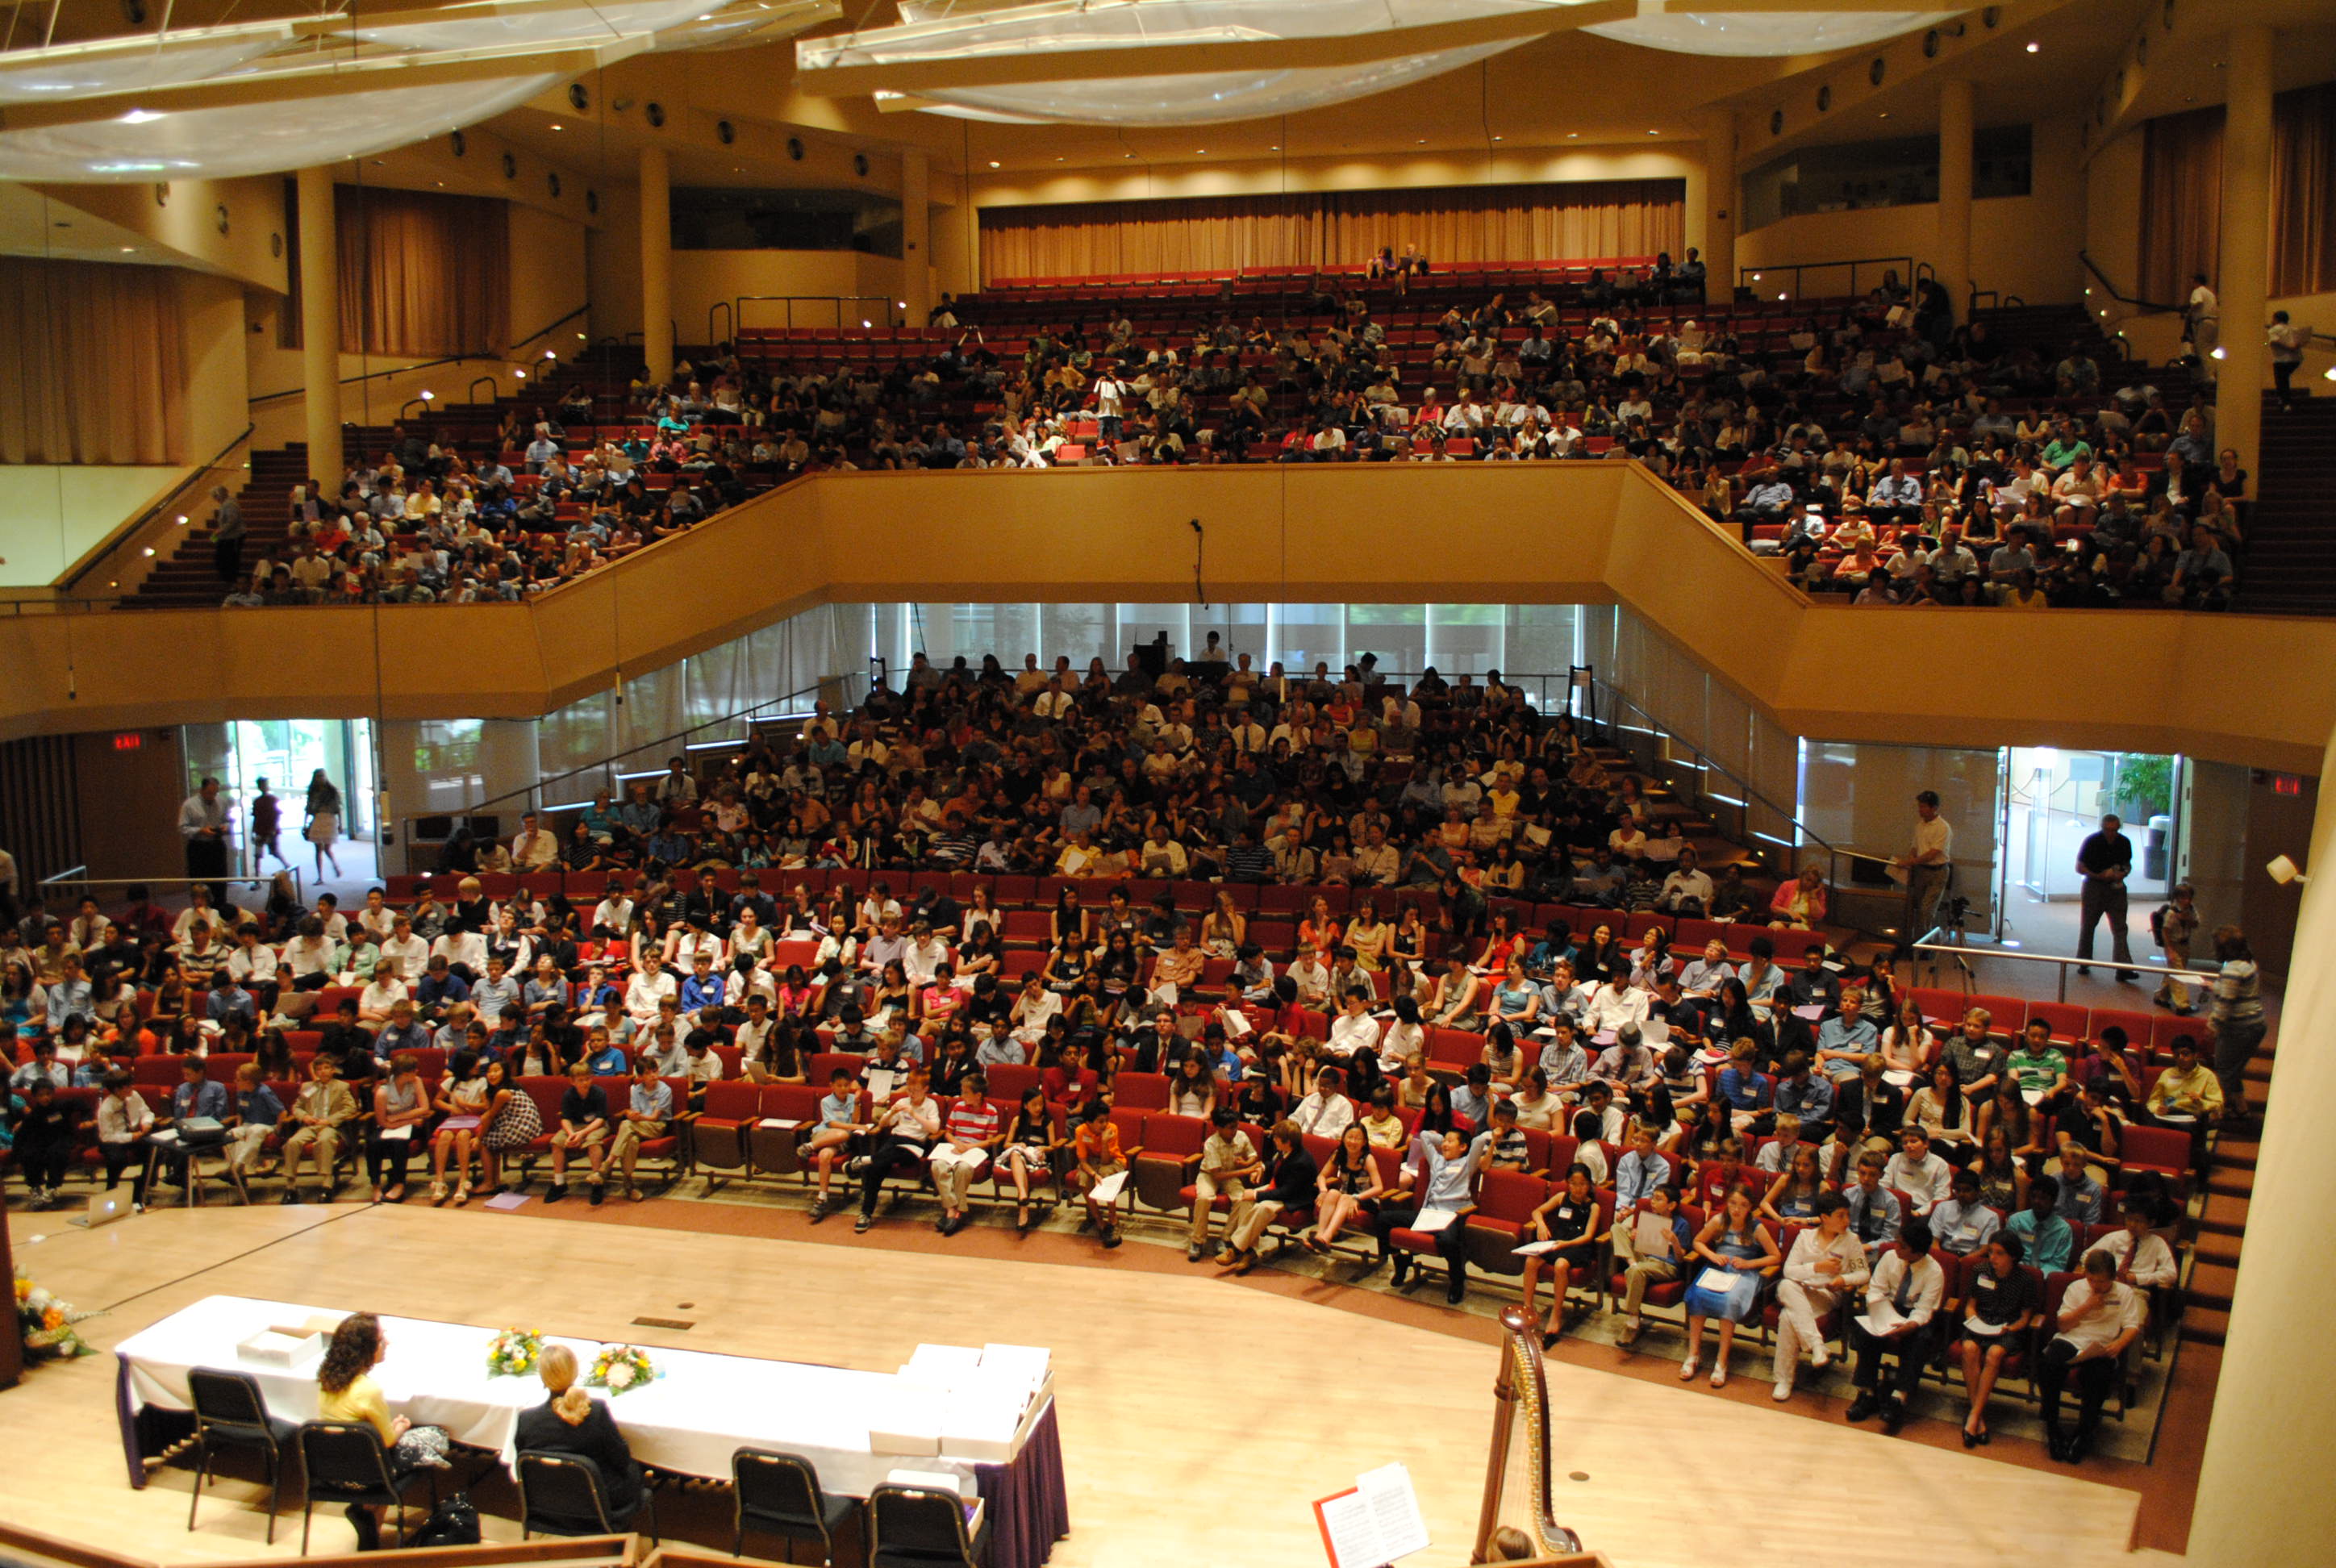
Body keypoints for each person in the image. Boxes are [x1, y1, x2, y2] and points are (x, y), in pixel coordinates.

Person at [315, 1312, 451, 1549]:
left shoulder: (326, 1381)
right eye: (381, 1339)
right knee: (434, 1437)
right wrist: (399, 1426)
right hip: (369, 1476)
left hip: (332, 1473)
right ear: (366, 1349)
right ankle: (369, 1515)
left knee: (384, 1453)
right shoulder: (368, 1390)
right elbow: (387, 1440)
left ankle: (369, 1522)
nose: (386, 1342)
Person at [513, 1343, 646, 1525]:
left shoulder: (526, 1420)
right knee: (634, 1469)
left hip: (548, 1503)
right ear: (574, 1373)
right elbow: (621, 1459)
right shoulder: (596, 1412)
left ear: (543, 1377)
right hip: (600, 1501)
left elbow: (524, 1467)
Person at [2038, 1249, 2146, 1463]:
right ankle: (2053, 1427)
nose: (2096, 1285)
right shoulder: (2076, 1288)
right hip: (2071, 1339)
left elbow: (2132, 1326)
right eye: (2091, 1280)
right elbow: (2063, 1324)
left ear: (2113, 1278)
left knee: (2097, 1377)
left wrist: (2119, 1343)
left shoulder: (2125, 1293)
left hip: (2102, 1345)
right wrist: (2087, 1306)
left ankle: (2084, 1432)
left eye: (2101, 1282)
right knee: (2049, 1366)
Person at [1844, 1216, 1942, 1432]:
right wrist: (1880, 1312)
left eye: (1903, 1246)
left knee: (1920, 1340)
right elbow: (1876, 1289)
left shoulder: (1934, 1272)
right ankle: (1867, 1392)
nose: (1896, 1247)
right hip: (1886, 1307)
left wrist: (1910, 1325)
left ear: (1917, 1252)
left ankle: (1900, 1397)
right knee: (1867, 1331)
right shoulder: (1889, 1257)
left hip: (1912, 1316)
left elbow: (1924, 1309)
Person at [1679, 1183, 1779, 1389]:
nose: (1736, 1209)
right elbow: (1698, 1242)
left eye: (1743, 1205)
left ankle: (1722, 1362)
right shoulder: (1719, 1220)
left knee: (1730, 1300)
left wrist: (1750, 1263)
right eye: (1733, 1203)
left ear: (1750, 1207)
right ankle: (1693, 1355)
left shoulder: (1757, 1227)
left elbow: (1775, 1256)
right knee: (1698, 1294)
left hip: (1745, 1272)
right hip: (1720, 1268)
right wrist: (1713, 1255)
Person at [1771, 1191, 1869, 1402]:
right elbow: (1789, 1270)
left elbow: (1864, 1274)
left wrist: (1842, 1280)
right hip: (1799, 1290)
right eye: (1841, 1216)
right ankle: (1816, 1345)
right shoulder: (1805, 1237)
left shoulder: (1851, 1240)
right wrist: (1817, 1267)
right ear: (1825, 1218)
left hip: (1826, 1294)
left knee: (1788, 1316)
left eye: (1847, 1215)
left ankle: (1784, 1379)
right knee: (1787, 1286)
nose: (1847, 1221)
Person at [1373, 1126, 1476, 1305]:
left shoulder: (1467, 1164)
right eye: (1444, 1141)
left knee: (1447, 1241)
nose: (1445, 1144)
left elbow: (1481, 1142)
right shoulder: (1436, 1160)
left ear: (1463, 1147)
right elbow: (1425, 1136)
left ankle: (1457, 1281)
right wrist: (1444, 1139)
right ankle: (1400, 1262)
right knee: (1383, 1219)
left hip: (1450, 1216)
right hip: (1428, 1214)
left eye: (1451, 1142)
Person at [1957, 1232, 2037, 1446]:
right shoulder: (1980, 1271)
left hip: (2007, 1329)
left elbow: (2025, 1319)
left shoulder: (2025, 1280)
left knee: (1995, 1353)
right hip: (1981, 1323)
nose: (1992, 1257)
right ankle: (1978, 1418)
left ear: (2012, 1256)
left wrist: (2008, 1328)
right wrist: (1974, 1321)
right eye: (1991, 1252)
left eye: (1999, 1253)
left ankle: (1973, 1416)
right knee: (1969, 1348)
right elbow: (1970, 1306)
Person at [1520, 1162, 1607, 1346]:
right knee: (1531, 1260)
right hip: (1558, 1242)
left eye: (1582, 1184)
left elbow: (1588, 1236)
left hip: (1578, 1246)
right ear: (1568, 1183)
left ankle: (1556, 1315)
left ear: (1590, 1185)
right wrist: (1541, 1224)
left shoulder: (1593, 1207)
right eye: (1574, 1183)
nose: (1578, 1188)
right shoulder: (1561, 1197)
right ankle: (1528, 1308)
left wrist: (1566, 1244)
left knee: (1561, 1264)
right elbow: (1537, 1211)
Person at [1220, 1119, 1320, 1274]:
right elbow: (1276, 1164)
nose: (1273, 1140)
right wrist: (1263, 1167)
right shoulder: (1287, 1150)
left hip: (1296, 1198)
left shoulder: (1302, 1162)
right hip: (1282, 1189)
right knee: (1245, 1200)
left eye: (1276, 1138)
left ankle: (1236, 1249)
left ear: (1287, 1142)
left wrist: (1256, 1193)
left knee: (1262, 1207)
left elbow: (1286, 1193)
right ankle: (1249, 1252)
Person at [854, 1062, 942, 1234]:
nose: (911, 1094)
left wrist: (914, 1114)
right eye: (909, 1090)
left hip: (915, 1144)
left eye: (915, 1091)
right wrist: (892, 1113)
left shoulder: (931, 1104)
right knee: (875, 1169)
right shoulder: (902, 1101)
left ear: (925, 1089)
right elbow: (883, 1124)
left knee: (884, 1159)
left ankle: (864, 1160)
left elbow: (934, 1129)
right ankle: (865, 1213)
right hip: (895, 1140)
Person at [2206, 926, 2264, 1131]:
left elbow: (2226, 1003)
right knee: (2234, 1070)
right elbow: (2235, 990)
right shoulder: (2248, 963)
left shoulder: (2231, 969)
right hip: (2254, 1024)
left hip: (2239, 1028)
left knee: (2224, 1071)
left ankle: (2219, 1113)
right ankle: (2242, 1110)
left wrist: (2213, 1025)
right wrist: (2214, 986)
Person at [930, 1072, 1003, 1235]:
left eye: (965, 1092)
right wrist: (956, 1143)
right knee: (938, 1165)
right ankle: (953, 1209)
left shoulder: (991, 1112)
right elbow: (948, 1132)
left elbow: (990, 1141)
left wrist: (969, 1147)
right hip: (956, 1146)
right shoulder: (958, 1107)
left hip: (976, 1150)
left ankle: (954, 1212)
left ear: (978, 1096)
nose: (961, 1095)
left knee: (962, 1169)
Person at [281, 1053, 357, 1204]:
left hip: (329, 1125)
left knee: (325, 1140)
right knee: (292, 1143)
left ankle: (327, 1184)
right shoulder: (308, 1087)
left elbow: (351, 1108)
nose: (323, 1072)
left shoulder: (342, 1087)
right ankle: (290, 1186)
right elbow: (296, 1107)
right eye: (320, 1069)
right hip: (311, 1124)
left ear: (333, 1070)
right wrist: (304, 1117)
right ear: (315, 1072)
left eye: (327, 1068)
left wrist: (329, 1121)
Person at [1189, 1103, 1262, 1261]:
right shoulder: (1211, 1143)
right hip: (1209, 1175)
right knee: (1204, 1198)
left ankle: (1226, 1238)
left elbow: (1253, 1155)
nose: (1234, 1131)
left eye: (1235, 1126)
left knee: (1243, 1199)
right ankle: (1197, 1241)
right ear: (1219, 1128)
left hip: (1231, 1175)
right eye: (1230, 1128)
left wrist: (1246, 1162)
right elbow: (1217, 1175)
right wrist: (1246, 1171)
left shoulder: (1241, 1136)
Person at [2072, 813, 2134, 976]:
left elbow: (2127, 865)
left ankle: (2123, 968)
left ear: (2118, 828)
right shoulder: (2092, 841)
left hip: (2117, 888)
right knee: (2088, 925)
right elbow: (2079, 867)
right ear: (2102, 827)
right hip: (2094, 887)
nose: (2111, 833)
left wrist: (2123, 873)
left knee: (2120, 928)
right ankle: (2084, 962)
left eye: (2114, 830)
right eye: (2108, 830)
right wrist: (2099, 876)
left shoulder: (2124, 842)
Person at [1892, 790, 1951, 952]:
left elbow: (1934, 853)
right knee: (1916, 907)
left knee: (1927, 910)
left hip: (1937, 872)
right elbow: (1915, 847)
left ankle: (1926, 946)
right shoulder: (1919, 825)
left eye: (1923, 806)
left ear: (1934, 808)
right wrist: (1910, 859)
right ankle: (1917, 942)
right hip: (1920, 872)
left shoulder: (1943, 827)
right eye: (1920, 806)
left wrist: (1911, 861)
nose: (1920, 810)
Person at [545, 1058, 611, 1205]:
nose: (585, 1083)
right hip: (575, 1127)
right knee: (556, 1142)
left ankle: (597, 1183)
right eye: (581, 1080)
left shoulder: (599, 1093)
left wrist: (583, 1134)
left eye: (587, 1079)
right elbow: (565, 1118)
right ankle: (559, 1183)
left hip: (596, 1126)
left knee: (593, 1142)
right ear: (572, 1082)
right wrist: (570, 1134)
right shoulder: (568, 1095)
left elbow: (600, 1118)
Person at [365, 1053, 429, 1203]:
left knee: (399, 1143)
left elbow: (424, 1108)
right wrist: (410, 1119)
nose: (417, 1073)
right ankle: (376, 1185)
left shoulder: (416, 1082)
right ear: (405, 1074)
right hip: (391, 1125)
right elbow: (383, 1122)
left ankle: (399, 1184)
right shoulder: (383, 1091)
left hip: (408, 1126)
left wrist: (399, 1117)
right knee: (372, 1143)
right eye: (414, 1070)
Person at [611, 1054, 674, 1202]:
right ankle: (629, 1184)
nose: (653, 1076)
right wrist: (633, 1115)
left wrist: (636, 1118)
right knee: (631, 1140)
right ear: (640, 1076)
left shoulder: (665, 1090)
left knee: (625, 1124)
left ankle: (608, 1163)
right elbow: (636, 1112)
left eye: (654, 1071)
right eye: (647, 1073)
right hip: (638, 1127)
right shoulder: (636, 1090)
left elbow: (654, 1118)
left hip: (656, 1127)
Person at [179, 777, 232, 906]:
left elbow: (227, 820)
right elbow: (182, 828)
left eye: (215, 793)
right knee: (200, 882)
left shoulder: (222, 802)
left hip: (217, 846)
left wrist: (226, 827)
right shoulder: (189, 805)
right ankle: (201, 910)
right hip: (198, 848)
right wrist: (200, 830)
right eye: (209, 793)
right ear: (201, 790)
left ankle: (220, 910)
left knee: (220, 882)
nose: (212, 796)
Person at [2152, 880, 2201, 1015]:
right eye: (2184, 897)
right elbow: (2165, 931)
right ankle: (2182, 1004)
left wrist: (2187, 919)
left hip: (2185, 944)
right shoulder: (2171, 912)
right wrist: (2169, 950)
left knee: (2174, 972)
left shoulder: (2191, 910)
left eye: (2189, 897)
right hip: (2174, 945)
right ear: (2177, 898)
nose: (2187, 900)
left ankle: (2162, 996)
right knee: (2179, 974)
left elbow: (2196, 923)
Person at [304, 769, 344, 880]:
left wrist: (341, 824)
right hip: (318, 819)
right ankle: (320, 876)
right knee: (318, 849)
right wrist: (305, 823)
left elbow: (338, 809)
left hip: (329, 819)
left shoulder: (332, 791)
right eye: (318, 776)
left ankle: (335, 866)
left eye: (322, 776)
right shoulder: (312, 792)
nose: (320, 778)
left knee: (327, 848)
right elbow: (308, 808)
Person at [249, 778, 286, 873]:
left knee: (274, 852)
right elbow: (256, 817)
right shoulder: (259, 801)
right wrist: (253, 831)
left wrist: (273, 830)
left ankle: (287, 866)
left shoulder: (273, 800)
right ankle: (257, 878)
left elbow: (276, 816)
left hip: (269, 830)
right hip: (261, 831)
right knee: (258, 855)